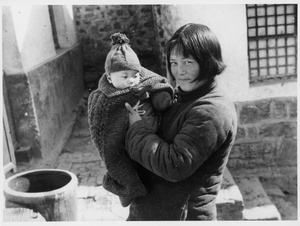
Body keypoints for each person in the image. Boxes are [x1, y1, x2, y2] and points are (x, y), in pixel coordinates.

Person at [124, 23, 238, 220]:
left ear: (207, 62)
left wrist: (137, 128)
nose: (179, 71)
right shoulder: (182, 94)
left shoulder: (212, 110)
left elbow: (174, 164)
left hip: (181, 215)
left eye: (188, 62)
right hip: (154, 210)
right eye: (173, 62)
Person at [88, 33, 174, 207]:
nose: (131, 81)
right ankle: (127, 188)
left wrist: (161, 97)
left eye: (134, 76)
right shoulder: (106, 98)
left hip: (152, 135)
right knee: (123, 164)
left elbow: (155, 81)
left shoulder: (141, 85)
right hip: (126, 143)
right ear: (110, 77)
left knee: (150, 165)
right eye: (124, 76)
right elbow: (104, 132)